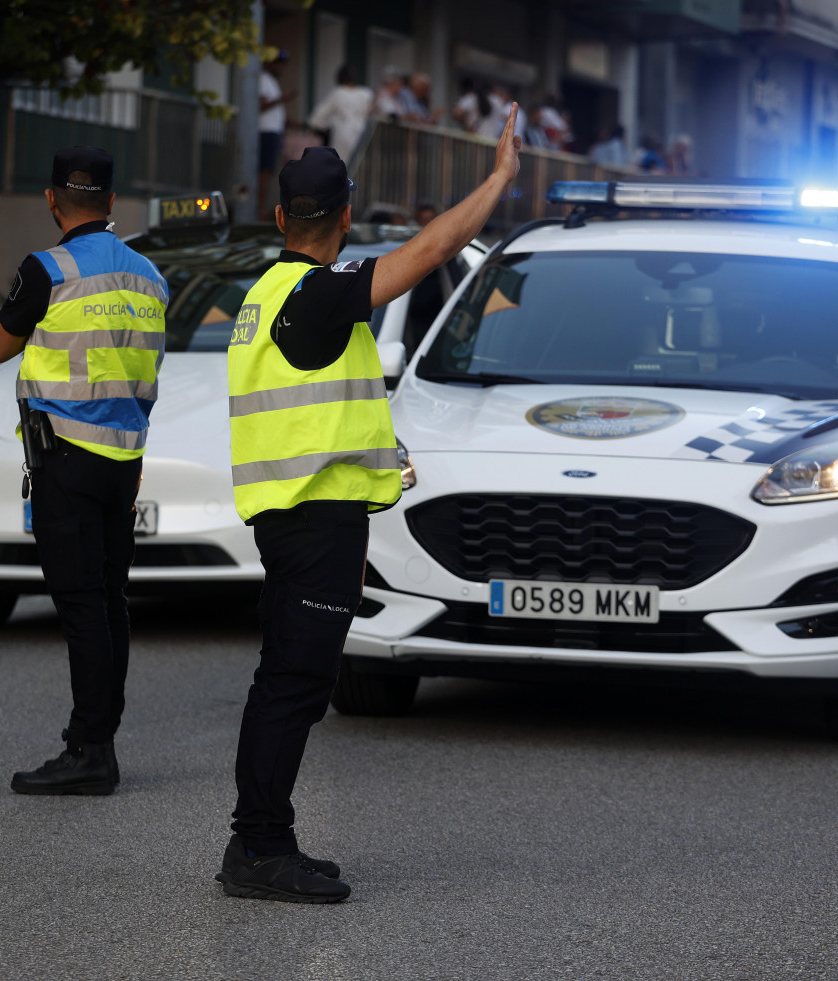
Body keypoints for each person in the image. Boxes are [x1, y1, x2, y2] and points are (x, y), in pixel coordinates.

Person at [217, 107, 522, 904]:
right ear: (346, 216)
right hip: (311, 514)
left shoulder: (268, 290)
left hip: (300, 511)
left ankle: (260, 837)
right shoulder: (315, 295)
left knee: (284, 677)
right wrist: (496, 180)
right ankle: (257, 846)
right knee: (293, 681)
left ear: (282, 216)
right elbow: (428, 251)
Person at [0, 146, 168, 795]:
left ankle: (90, 748)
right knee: (109, 600)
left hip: (65, 456)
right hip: (124, 459)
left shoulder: (47, 268)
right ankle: (102, 735)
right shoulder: (151, 276)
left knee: (80, 604)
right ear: (113, 201)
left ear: (51, 199)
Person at [307, 64, 373, 164]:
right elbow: (370, 113)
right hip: (361, 133)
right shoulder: (366, 93)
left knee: (341, 166)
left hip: (342, 134)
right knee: (359, 166)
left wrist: (324, 126)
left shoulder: (338, 93)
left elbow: (318, 116)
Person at [259, 50, 297, 220]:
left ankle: (263, 210)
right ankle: (259, 212)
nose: (281, 67)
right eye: (278, 63)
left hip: (274, 131)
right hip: (265, 131)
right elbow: (261, 105)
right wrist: (284, 98)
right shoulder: (262, 79)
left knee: (269, 172)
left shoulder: (272, 82)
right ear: (269, 63)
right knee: (264, 173)